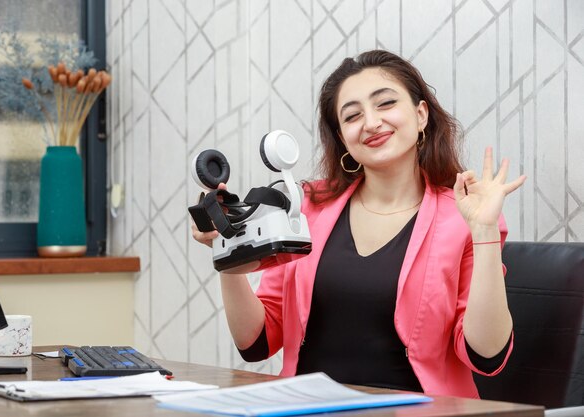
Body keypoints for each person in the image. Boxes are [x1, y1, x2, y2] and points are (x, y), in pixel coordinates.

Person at [191, 49, 526, 398]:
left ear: (421, 114)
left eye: (385, 104)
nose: (370, 122)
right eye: (352, 116)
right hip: (304, 407)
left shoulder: (462, 218)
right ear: (341, 137)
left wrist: (484, 231)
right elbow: (256, 342)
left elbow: (486, 355)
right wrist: (227, 251)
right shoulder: (304, 207)